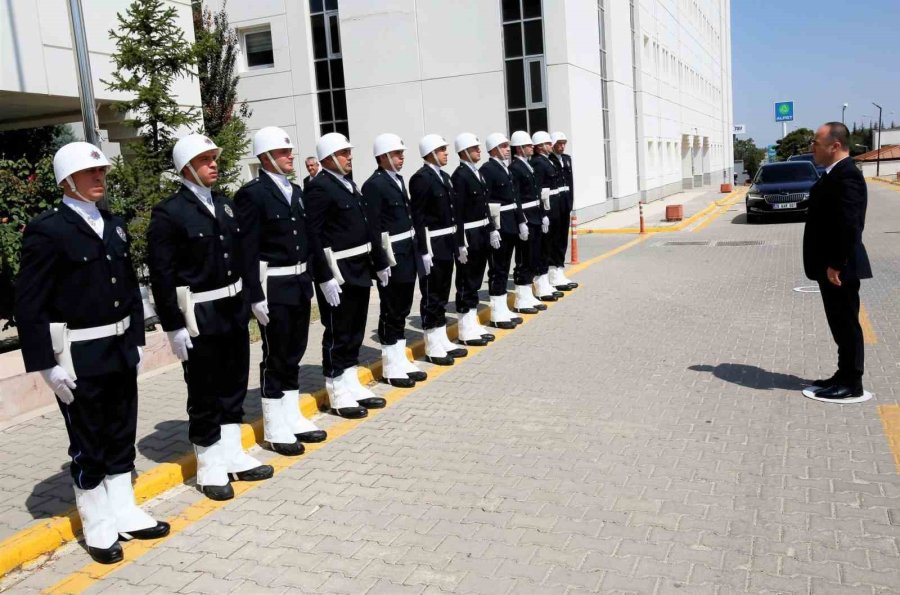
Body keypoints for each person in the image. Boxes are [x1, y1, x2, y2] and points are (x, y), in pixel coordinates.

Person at [16, 142, 169, 564]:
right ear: (67, 181)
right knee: (89, 443)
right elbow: (29, 304)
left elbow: (129, 290)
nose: (100, 178)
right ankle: (99, 526)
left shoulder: (113, 223)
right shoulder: (49, 230)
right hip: (79, 358)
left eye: (101, 171)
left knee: (121, 435)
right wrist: (47, 366)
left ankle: (124, 512)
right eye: (90, 173)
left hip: (118, 349)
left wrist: (137, 340)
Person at [148, 134, 273, 502]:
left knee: (234, 384)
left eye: (214, 158)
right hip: (199, 314)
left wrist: (251, 298)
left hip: (232, 308)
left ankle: (233, 453)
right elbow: (162, 275)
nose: (214, 164)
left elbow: (241, 256)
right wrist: (172, 325)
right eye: (205, 160)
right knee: (205, 391)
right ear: (187, 168)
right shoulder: (169, 213)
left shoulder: (224, 204)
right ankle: (209, 465)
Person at [234, 127, 326, 456]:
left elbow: (308, 238)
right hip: (274, 286)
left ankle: (291, 415)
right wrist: (255, 294)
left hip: (299, 282)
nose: (291, 157)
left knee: (295, 351)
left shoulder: (297, 191)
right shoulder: (252, 194)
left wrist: (321, 276)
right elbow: (246, 249)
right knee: (276, 354)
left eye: (290, 152)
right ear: (266, 157)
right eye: (284, 152)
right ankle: (274, 424)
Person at [305, 132, 390, 417]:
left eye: (349, 152)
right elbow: (314, 236)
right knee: (338, 332)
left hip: (359, 267)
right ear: (328, 158)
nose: (349, 157)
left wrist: (378, 262)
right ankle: (337, 390)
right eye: (344, 153)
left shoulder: (347, 184)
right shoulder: (319, 187)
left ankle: (350, 381)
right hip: (338, 272)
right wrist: (324, 276)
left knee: (355, 329)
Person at [803, 122, 872, 402]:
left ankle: (852, 381)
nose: (812, 148)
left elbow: (850, 225)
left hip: (839, 267)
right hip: (831, 265)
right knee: (839, 322)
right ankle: (843, 374)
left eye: (816, 144)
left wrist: (837, 263)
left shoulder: (848, 176)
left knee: (846, 322)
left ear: (835, 145)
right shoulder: (834, 174)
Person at [362, 133, 428, 387]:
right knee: (391, 310)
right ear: (383, 157)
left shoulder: (397, 180)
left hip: (406, 251)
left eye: (402, 154)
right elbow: (374, 228)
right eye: (397, 154)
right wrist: (379, 263)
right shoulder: (374, 185)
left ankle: (399, 358)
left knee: (402, 308)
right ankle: (390, 365)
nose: (402, 158)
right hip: (391, 257)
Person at [410, 134, 468, 365]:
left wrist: (458, 243)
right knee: (432, 295)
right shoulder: (421, 179)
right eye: (442, 150)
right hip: (433, 245)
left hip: (446, 243)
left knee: (443, 292)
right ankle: (432, 344)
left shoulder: (444, 176)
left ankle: (441, 337)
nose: (446, 153)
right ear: (431, 153)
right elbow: (419, 217)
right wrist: (423, 250)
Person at [450, 133, 497, 346]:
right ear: (464, 152)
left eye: (479, 147)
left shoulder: (475, 173)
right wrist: (460, 242)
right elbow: (457, 213)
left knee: (476, 280)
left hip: (480, 233)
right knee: (466, 281)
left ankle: (472, 321)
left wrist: (491, 228)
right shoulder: (460, 176)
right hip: (468, 235)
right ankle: (464, 327)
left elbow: (484, 205)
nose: (479, 150)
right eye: (475, 148)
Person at [479, 133, 526, 330]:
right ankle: (497, 312)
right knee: (497, 269)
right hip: (499, 225)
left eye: (508, 146)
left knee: (505, 265)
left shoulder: (504, 168)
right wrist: (492, 228)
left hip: (510, 223)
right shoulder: (488, 170)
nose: (508, 149)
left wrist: (521, 220)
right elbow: (485, 202)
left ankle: (502, 308)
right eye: (504, 146)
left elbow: (514, 198)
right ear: (493, 149)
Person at [508, 130, 549, 315]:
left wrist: (542, 214)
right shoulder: (515, 168)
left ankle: (527, 294)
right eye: (528, 145)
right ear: (519, 148)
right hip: (526, 217)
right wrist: (521, 220)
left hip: (535, 216)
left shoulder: (528, 165)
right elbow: (516, 197)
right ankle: (521, 298)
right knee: (524, 259)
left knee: (533, 257)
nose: (532, 147)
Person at [530, 131, 565, 301]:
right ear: (540, 146)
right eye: (548, 143)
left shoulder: (547, 161)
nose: (551, 146)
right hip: (546, 210)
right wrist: (542, 213)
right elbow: (538, 191)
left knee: (550, 244)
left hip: (554, 208)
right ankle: (540, 281)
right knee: (543, 247)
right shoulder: (537, 163)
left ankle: (546, 281)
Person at [548, 132, 578, 290]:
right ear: (552, 144)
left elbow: (570, 183)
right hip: (554, 207)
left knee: (562, 240)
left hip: (565, 204)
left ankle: (559, 269)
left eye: (563, 143)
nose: (562, 146)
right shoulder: (549, 160)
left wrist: (571, 203)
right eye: (559, 143)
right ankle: (553, 272)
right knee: (553, 240)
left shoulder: (566, 159)